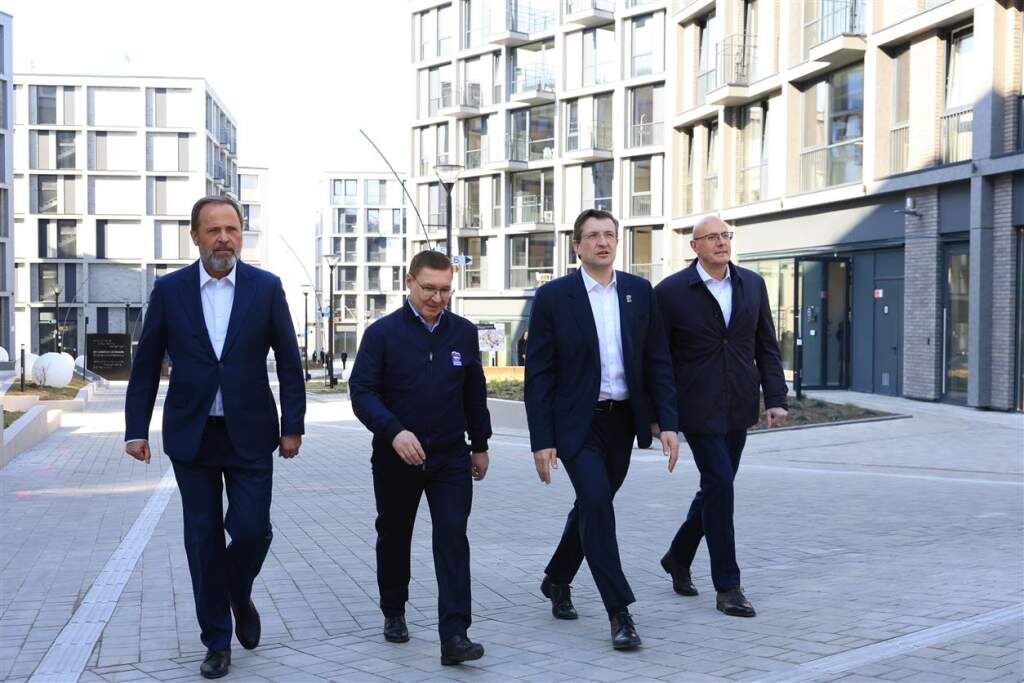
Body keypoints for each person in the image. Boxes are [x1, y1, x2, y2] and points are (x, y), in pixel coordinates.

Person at [124, 196, 305, 679]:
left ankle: (237, 592)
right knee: (202, 539)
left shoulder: (266, 288)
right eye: (214, 230)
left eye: (232, 229)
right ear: (195, 236)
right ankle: (217, 641)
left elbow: (290, 362)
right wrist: (135, 430)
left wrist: (293, 425)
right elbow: (146, 364)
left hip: (252, 433)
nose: (224, 238)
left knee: (252, 530)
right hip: (193, 435)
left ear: (242, 234)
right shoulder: (170, 290)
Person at [524, 209, 679, 650]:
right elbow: (539, 374)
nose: (602, 242)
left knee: (593, 505)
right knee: (596, 502)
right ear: (577, 245)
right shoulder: (554, 297)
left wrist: (667, 422)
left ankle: (557, 578)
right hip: (577, 423)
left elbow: (657, 360)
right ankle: (619, 611)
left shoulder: (638, 292)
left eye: (609, 234)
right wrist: (542, 439)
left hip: (622, 423)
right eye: (592, 235)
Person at [349, 250, 492, 666]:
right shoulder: (382, 334)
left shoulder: (463, 332)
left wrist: (480, 444)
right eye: (429, 288)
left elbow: (474, 391)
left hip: (450, 457)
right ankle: (394, 609)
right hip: (396, 458)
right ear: (409, 282)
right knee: (395, 535)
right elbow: (362, 392)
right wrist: (394, 431)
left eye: (446, 290)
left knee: (453, 536)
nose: (437, 298)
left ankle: (455, 635)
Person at [654, 215, 788, 619]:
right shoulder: (671, 292)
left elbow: (766, 345)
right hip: (697, 406)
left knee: (717, 486)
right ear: (694, 246)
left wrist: (775, 397)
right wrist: (663, 416)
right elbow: (658, 359)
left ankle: (678, 556)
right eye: (711, 237)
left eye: (725, 236)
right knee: (721, 487)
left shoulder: (752, 284)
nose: (721, 242)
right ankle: (728, 586)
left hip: (739, 403)